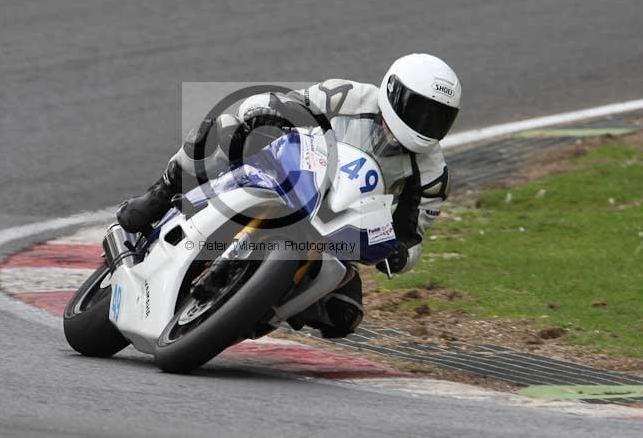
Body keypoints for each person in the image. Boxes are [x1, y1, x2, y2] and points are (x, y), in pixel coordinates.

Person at [117, 53, 462, 338]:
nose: (425, 124)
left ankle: (261, 305)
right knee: (222, 130)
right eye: (419, 110)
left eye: (438, 118)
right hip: (288, 175)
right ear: (393, 91)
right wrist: (267, 112)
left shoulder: (433, 172)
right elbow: (289, 102)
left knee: (345, 314)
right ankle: (160, 194)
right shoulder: (350, 96)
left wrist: (399, 254)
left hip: (337, 230)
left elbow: (413, 234)